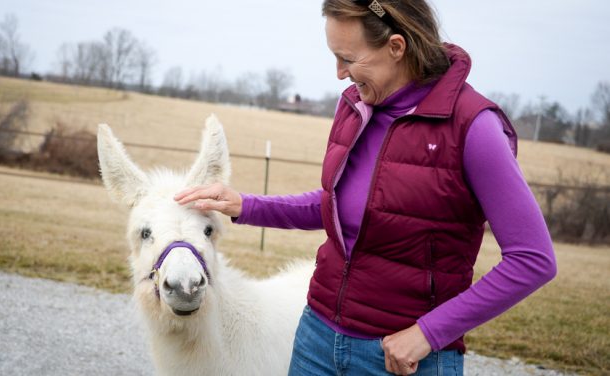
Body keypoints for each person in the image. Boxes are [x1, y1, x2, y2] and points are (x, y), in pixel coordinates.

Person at [173, 0, 557, 375]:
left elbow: (532, 259)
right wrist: (245, 205)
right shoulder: (356, 106)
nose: (339, 72)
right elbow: (337, 206)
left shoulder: (474, 126)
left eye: (348, 58)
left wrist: (428, 333)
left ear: (396, 47)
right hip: (316, 340)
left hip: (403, 361)